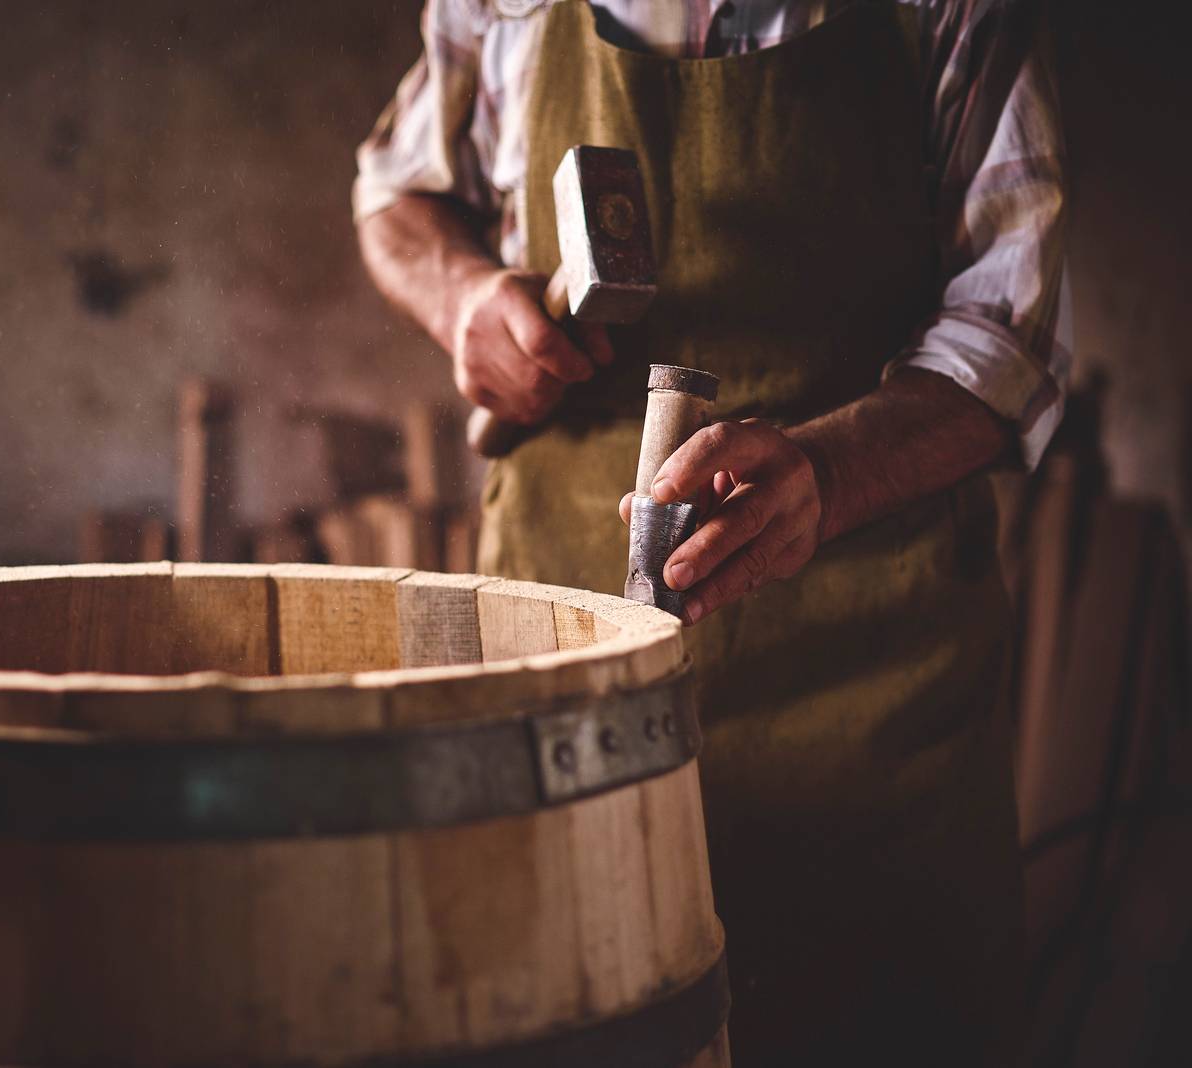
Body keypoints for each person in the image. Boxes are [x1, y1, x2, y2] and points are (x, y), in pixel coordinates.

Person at [354, 1, 1066, 1063]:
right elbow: (395, 194)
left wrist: (828, 470)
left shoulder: (940, 13)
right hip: (561, 671)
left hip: (872, 688)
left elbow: (1006, 330)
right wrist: (462, 298)